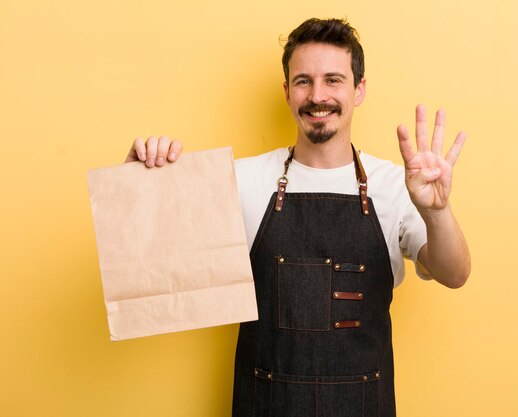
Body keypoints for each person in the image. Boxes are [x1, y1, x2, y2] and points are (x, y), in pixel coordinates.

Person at [125, 18, 470, 417]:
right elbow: (153, 261)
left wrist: (437, 210)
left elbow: (455, 273)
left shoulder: (399, 185)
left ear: (359, 90)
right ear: (287, 92)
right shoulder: (241, 179)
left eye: (333, 80)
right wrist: (140, 183)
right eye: (304, 81)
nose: (317, 95)